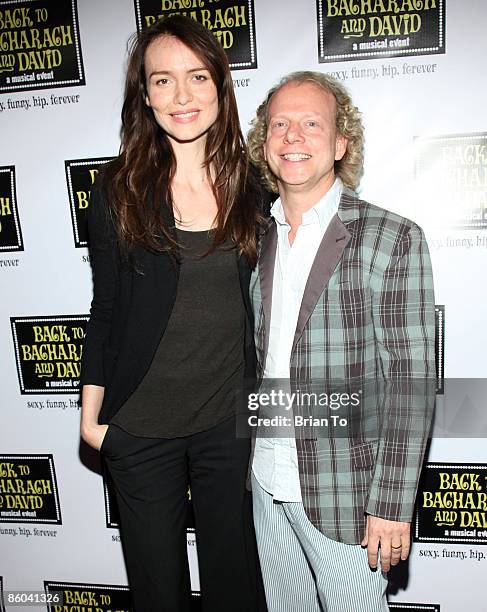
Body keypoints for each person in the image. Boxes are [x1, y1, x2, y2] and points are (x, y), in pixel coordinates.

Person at [80, 15, 266, 612]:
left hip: (228, 425)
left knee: (236, 587)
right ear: (146, 95)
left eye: (196, 77)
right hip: (138, 426)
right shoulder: (117, 188)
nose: (181, 96)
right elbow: (104, 308)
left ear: (220, 85)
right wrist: (93, 418)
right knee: (158, 594)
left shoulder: (254, 184)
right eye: (163, 81)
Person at [246, 71, 436, 611]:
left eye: (311, 123)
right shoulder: (252, 238)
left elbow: (412, 381)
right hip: (264, 482)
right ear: (265, 144)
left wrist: (393, 504)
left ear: (339, 143)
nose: (293, 137)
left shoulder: (393, 237)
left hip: (348, 496)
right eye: (279, 124)